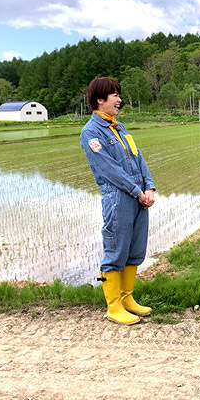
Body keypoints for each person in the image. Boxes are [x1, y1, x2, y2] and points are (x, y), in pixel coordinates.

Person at [80, 76, 156, 324]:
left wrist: (150, 187)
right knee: (115, 251)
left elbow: (138, 158)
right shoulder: (91, 132)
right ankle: (113, 306)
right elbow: (109, 170)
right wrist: (137, 191)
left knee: (135, 251)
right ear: (100, 100)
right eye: (115, 95)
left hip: (138, 197)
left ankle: (127, 298)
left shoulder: (119, 128)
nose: (119, 100)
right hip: (118, 199)